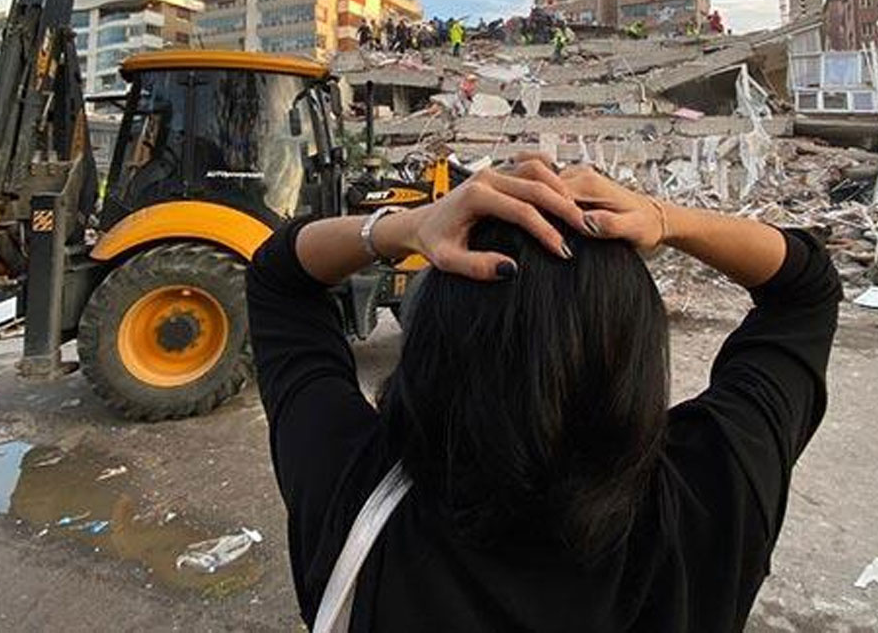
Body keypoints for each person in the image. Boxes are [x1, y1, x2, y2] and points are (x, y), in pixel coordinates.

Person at [247, 158, 841, 632]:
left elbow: (280, 276)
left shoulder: (350, 491)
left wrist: (410, 227)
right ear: (634, 348)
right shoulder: (715, 490)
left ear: (430, 341)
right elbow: (805, 290)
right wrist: (664, 219)